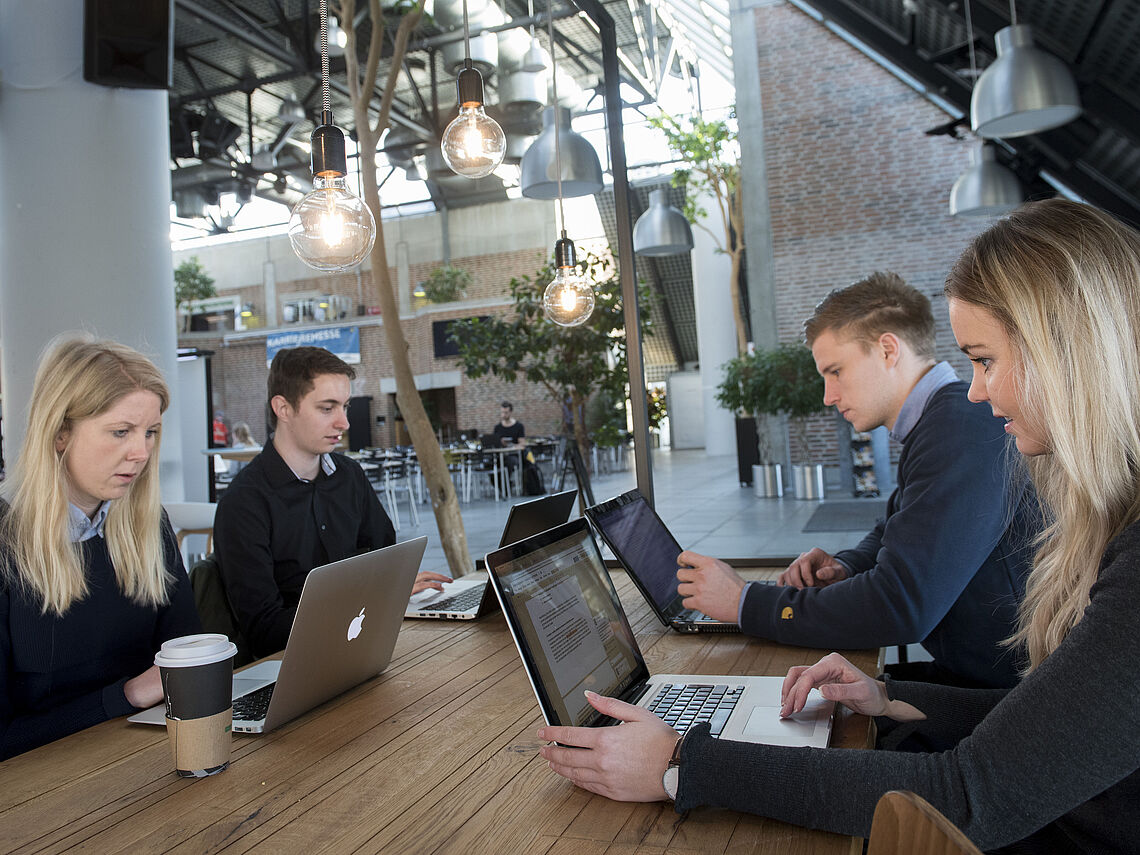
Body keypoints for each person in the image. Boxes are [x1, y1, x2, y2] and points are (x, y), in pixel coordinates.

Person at [537, 199, 1140, 852]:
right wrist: (884, 696)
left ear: (1070, 351)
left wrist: (683, 762)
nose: (977, 391)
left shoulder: (964, 431)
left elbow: (969, 793)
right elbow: (1049, 727)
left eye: (986, 359)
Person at [677, 272, 1034, 688]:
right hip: (979, 676)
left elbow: (900, 605)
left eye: (836, 371)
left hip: (998, 696)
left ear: (887, 350)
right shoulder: (942, 419)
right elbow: (900, 524)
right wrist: (846, 565)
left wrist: (745, 602)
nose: (828, 396)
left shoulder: (958, 428)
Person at [0, 336, 201, 760]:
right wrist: (126, 695)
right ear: (59, 434)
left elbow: (189, 657)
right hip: (43, 794)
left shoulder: (149, 527)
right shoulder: (8, 550)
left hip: (150, 760)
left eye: (150, 433)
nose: (141, 452)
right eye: (121, 432)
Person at [214, 346, 449, 659]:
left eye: (345, 406)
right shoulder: (243, 504)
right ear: (283, 409)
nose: (344, 423)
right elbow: (264, 632)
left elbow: (385, 560)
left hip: (364, 644)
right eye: (327, 408)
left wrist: (394, 589)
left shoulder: (349, 476)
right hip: (291, 664)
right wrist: (377, 598)